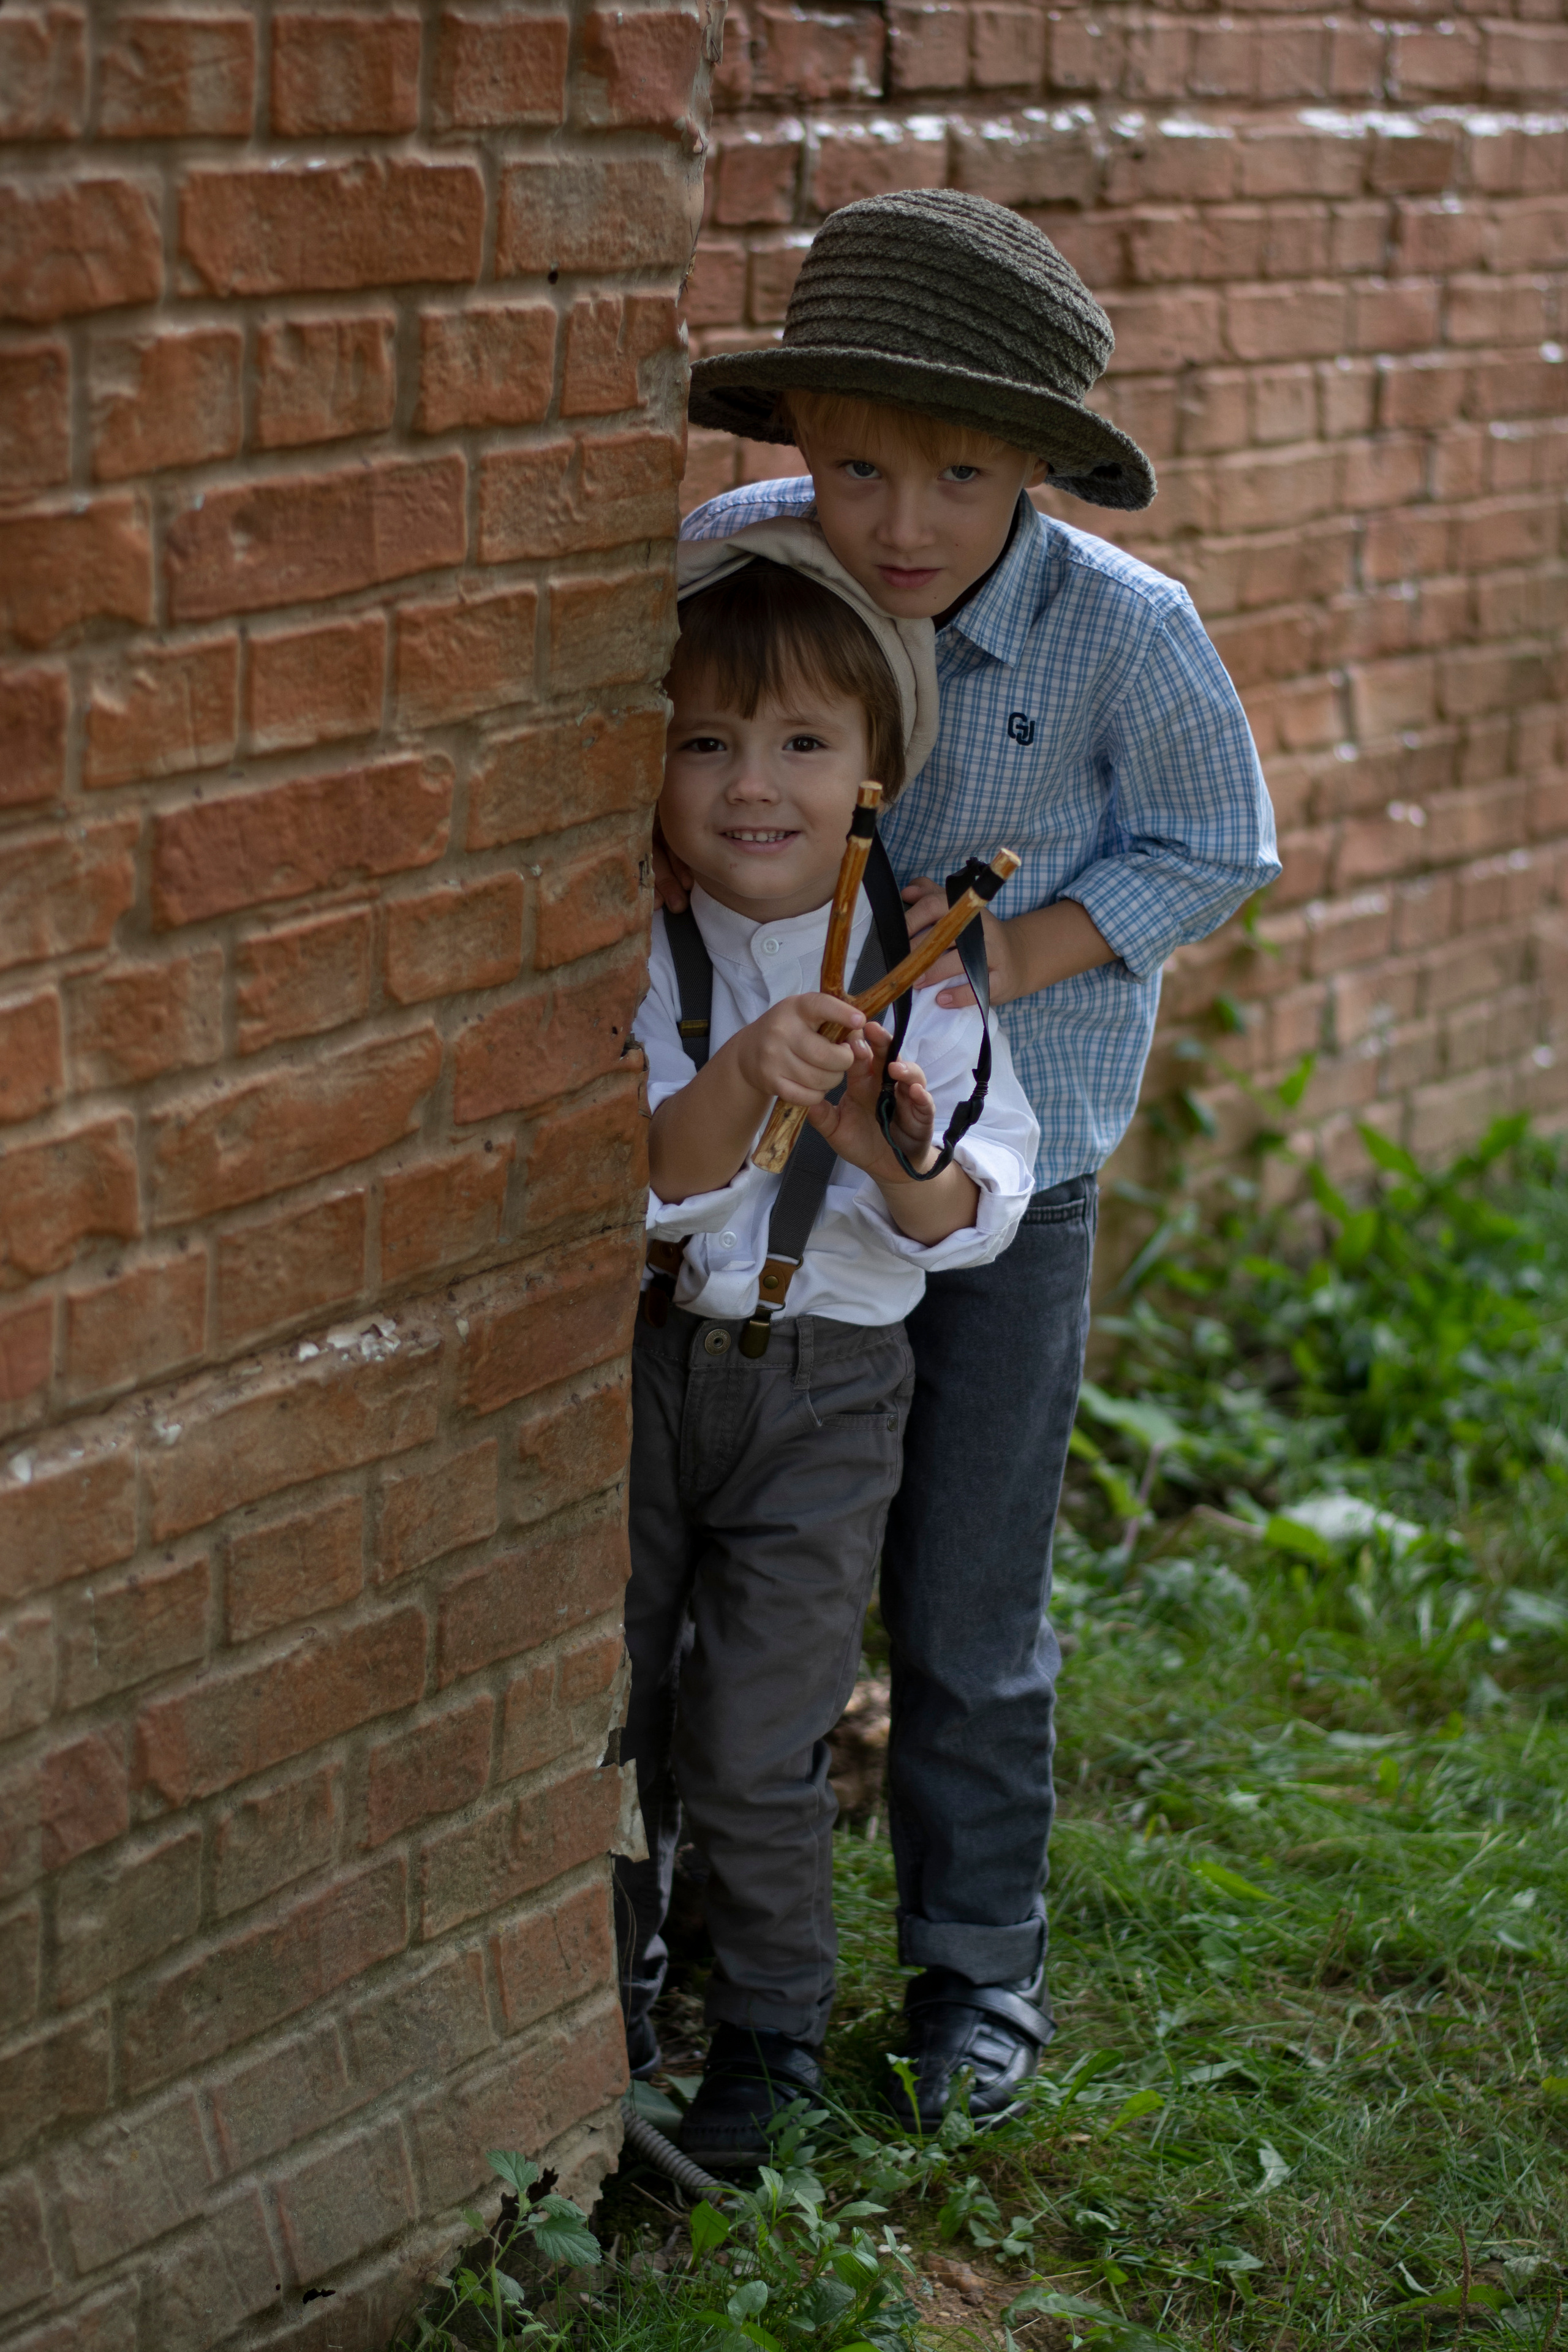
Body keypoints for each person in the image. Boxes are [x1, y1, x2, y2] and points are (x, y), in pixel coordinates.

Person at [668, 187, 1282, 2130]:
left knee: (965, 1590)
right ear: (798, 441)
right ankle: (697, 1929)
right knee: (730, 1563)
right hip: (759, 1180)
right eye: (856, 466)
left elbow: (1218, 844)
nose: (900, 524)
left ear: (1036, 463)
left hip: (1008, 1179)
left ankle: (974, 1966)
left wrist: (997, 960)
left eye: (957, 473)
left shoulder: (1126, 630)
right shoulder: (738, 560)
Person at [619, 547, 1040, 2165]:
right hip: (652, 1374)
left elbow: (974, 1211)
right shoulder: (637, 945)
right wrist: (742, 1074)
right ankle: (610, 2011)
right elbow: (651, 1181)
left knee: (753, 1736)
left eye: (802, 744)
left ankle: (770, 2036)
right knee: (616, 1714)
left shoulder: (928, 969)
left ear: (876, 774)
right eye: (706, 741)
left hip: (826, 1396)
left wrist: (884, 1152)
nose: (752, 784)